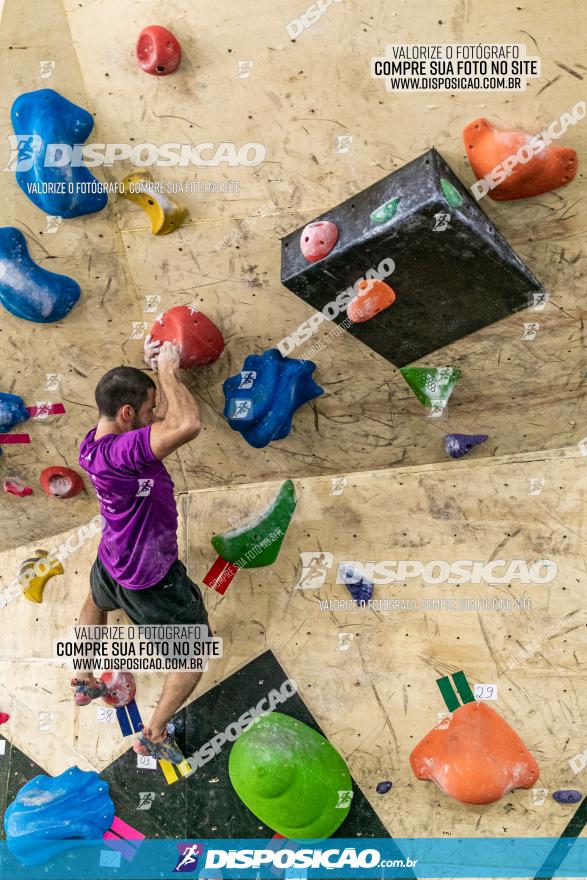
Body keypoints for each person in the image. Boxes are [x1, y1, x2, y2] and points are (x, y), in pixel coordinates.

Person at [73, 338, 208, 761]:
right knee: (192, 660)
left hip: (111, 556)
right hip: (149, 577)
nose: (157, 416)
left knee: (95, 602)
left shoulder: (93, 444)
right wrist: (168, 370)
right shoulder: (122, 453)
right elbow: (186, 425)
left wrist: (153, 372)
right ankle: (153, 732)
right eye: (148, 411)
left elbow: (164, 419)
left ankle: (82, 678)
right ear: (128, 414)